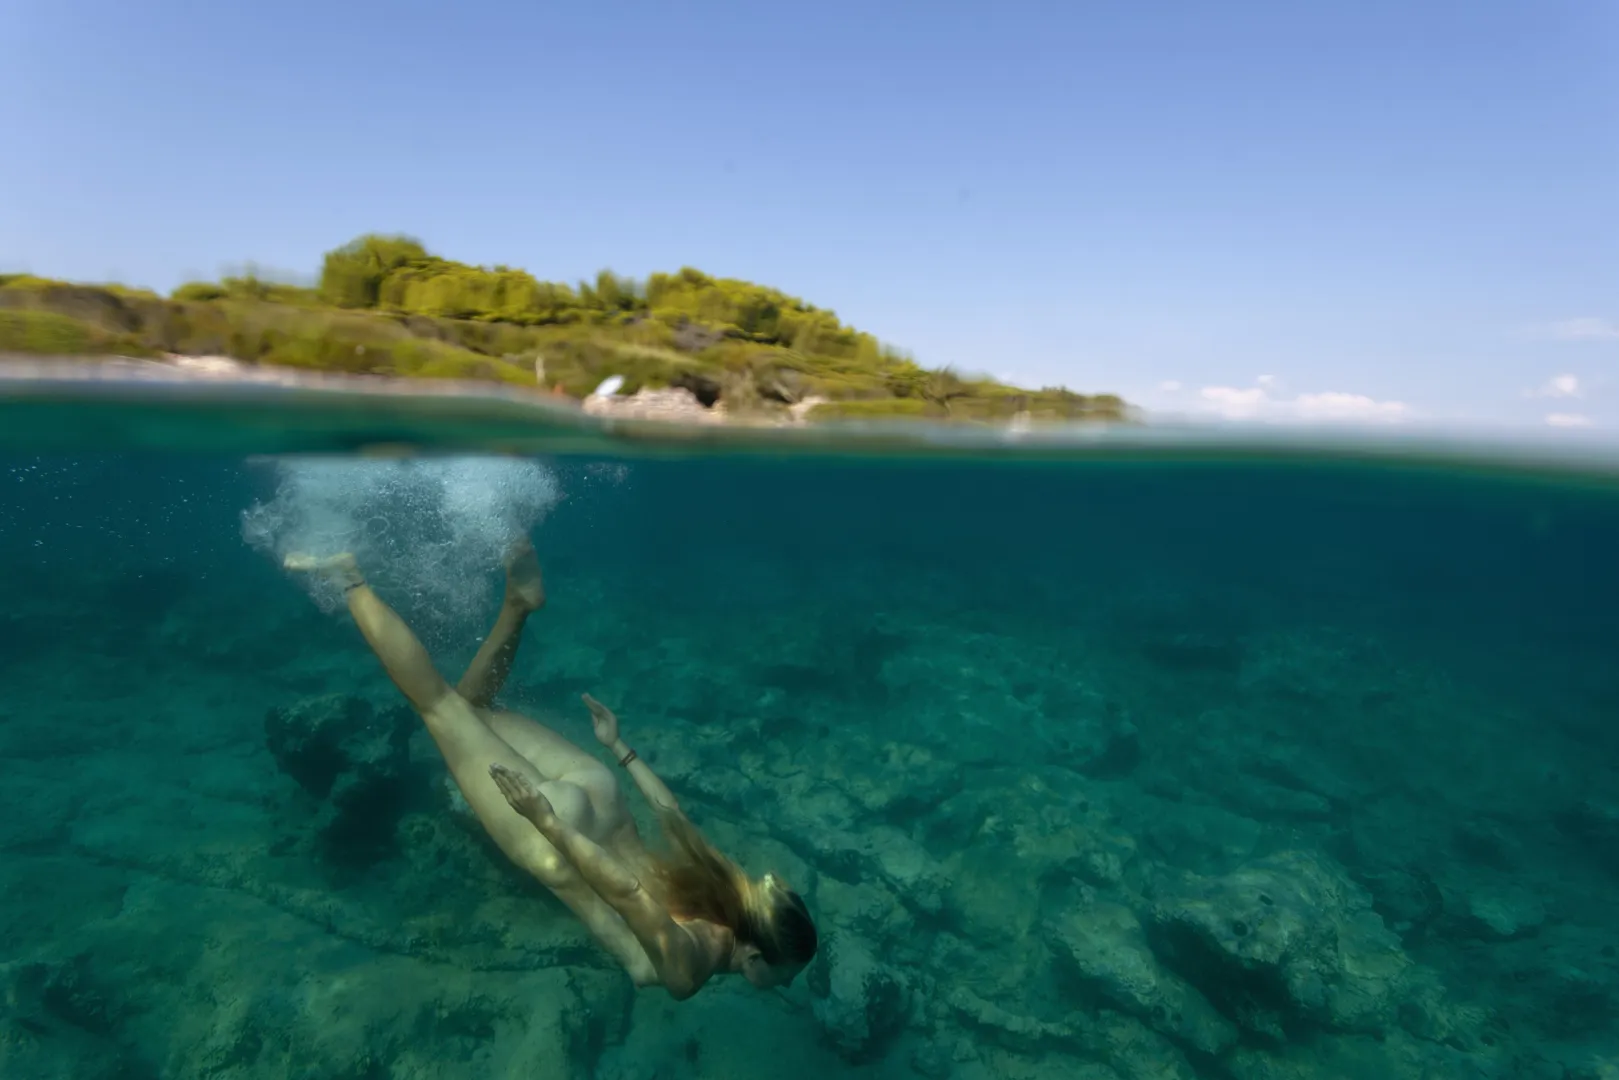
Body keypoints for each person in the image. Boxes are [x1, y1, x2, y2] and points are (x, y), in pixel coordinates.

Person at [284, 540, 817, 999]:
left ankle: (518, 606)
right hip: (561, 839)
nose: (785, 986)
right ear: (756, 957)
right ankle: (350, 577)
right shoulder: (691, 969)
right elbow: (628, 895)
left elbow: (668, 811)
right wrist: (548, 823)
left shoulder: (727, 893)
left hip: (603, 797)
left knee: (473, 705)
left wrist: (619, 748)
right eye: (785, 977)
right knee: (439, 706)